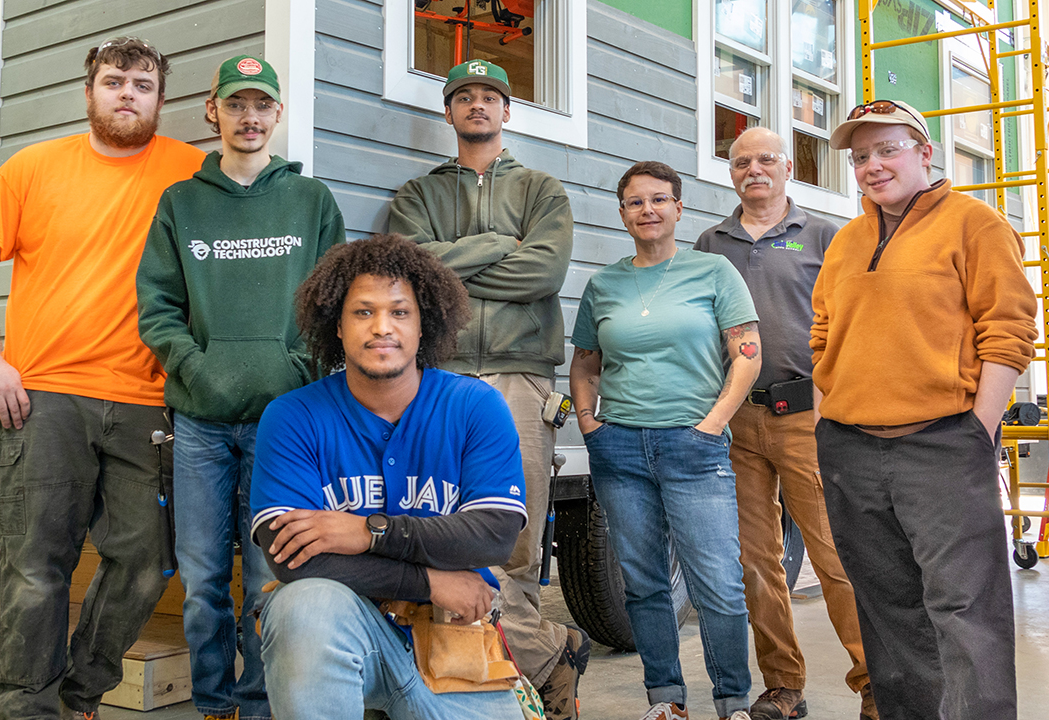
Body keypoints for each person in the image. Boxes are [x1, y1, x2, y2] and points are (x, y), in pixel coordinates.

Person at [0, 37, 205, 720]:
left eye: (142, 83)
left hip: (151, 400)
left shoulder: (193, 174)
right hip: (43, 398)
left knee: (147, 564)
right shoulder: (32, 168)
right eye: (114, 80)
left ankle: (80, 692)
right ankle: (24, 709)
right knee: (36, 567)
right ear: (88, 91)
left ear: (159, 98)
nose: (127, 92)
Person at [811, 100, 1037, 720]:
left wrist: (976, 432)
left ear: (924, 151)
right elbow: (823, 337)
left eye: (887, 150)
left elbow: (1009, 330)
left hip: (942, 443)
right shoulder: (847, 240)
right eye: (860, 157)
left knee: (966, 609)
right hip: (851, 447)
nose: (872, 166)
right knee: (886, 610)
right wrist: (822, 425)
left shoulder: (975, 224)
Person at [136, 55, 345, 720]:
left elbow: (336, 305)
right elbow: (157, 306)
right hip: (197, 421)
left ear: (278, 114)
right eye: (235, 105)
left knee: (267, 579)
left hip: (283, 424)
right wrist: (193, 366)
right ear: (213, 111)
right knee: (201, 582)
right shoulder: (181, 202)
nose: (248, 117)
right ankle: (213, 705)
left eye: (261, 105)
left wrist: (296, 368)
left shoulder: (311, 202)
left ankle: (259, 705)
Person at [246, 234, 528, 719]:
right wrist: (430, 579)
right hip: (347, 629)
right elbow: (290, 558)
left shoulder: (474, 405)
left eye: (400, 312)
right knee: (303, 605)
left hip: (452, 636)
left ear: (424, 325)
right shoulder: (292, 415)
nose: (382, 328)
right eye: (363, 312)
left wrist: (366, 532)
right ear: (336, 325)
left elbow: (494, 535)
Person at [387, 59, 583, 719]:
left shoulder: (541, 189)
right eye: (463, 96)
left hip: (519, 370)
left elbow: (544, 272)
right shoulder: (418, 194)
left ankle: (517, 675)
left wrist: (453, 261)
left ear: (506, 111)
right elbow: (411, 272)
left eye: (489, 96)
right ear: (448, 112)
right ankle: (541, 656)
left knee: (515, 528)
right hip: (437, 374)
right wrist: (502, 244)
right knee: (437, 522)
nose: (477, 105)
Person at [569, 161, 760, 720]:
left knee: (719, 583)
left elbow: (746, 356)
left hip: (693, 446)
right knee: (645, 584)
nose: (647, 210)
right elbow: (585, 363)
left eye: (659, 200)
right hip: (620, 449)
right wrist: (589, 423)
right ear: (622, 213)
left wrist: (712, 423)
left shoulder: (714, 271)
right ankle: (666, 700)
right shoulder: (604, 284)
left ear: (679, 209)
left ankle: (732, 702)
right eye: (634, 202)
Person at [694, 127, 874, 720]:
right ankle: (783, 686)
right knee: (756, 561)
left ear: (788, 166)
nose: (754, 170)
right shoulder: (710, 242)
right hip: (736, 422)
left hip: (807, 417)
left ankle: (875, 684)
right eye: (741, 161)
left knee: (835, 556)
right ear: (731, 173)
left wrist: (833, 397)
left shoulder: (825, 235)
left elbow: (854, 322)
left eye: (766, 159)